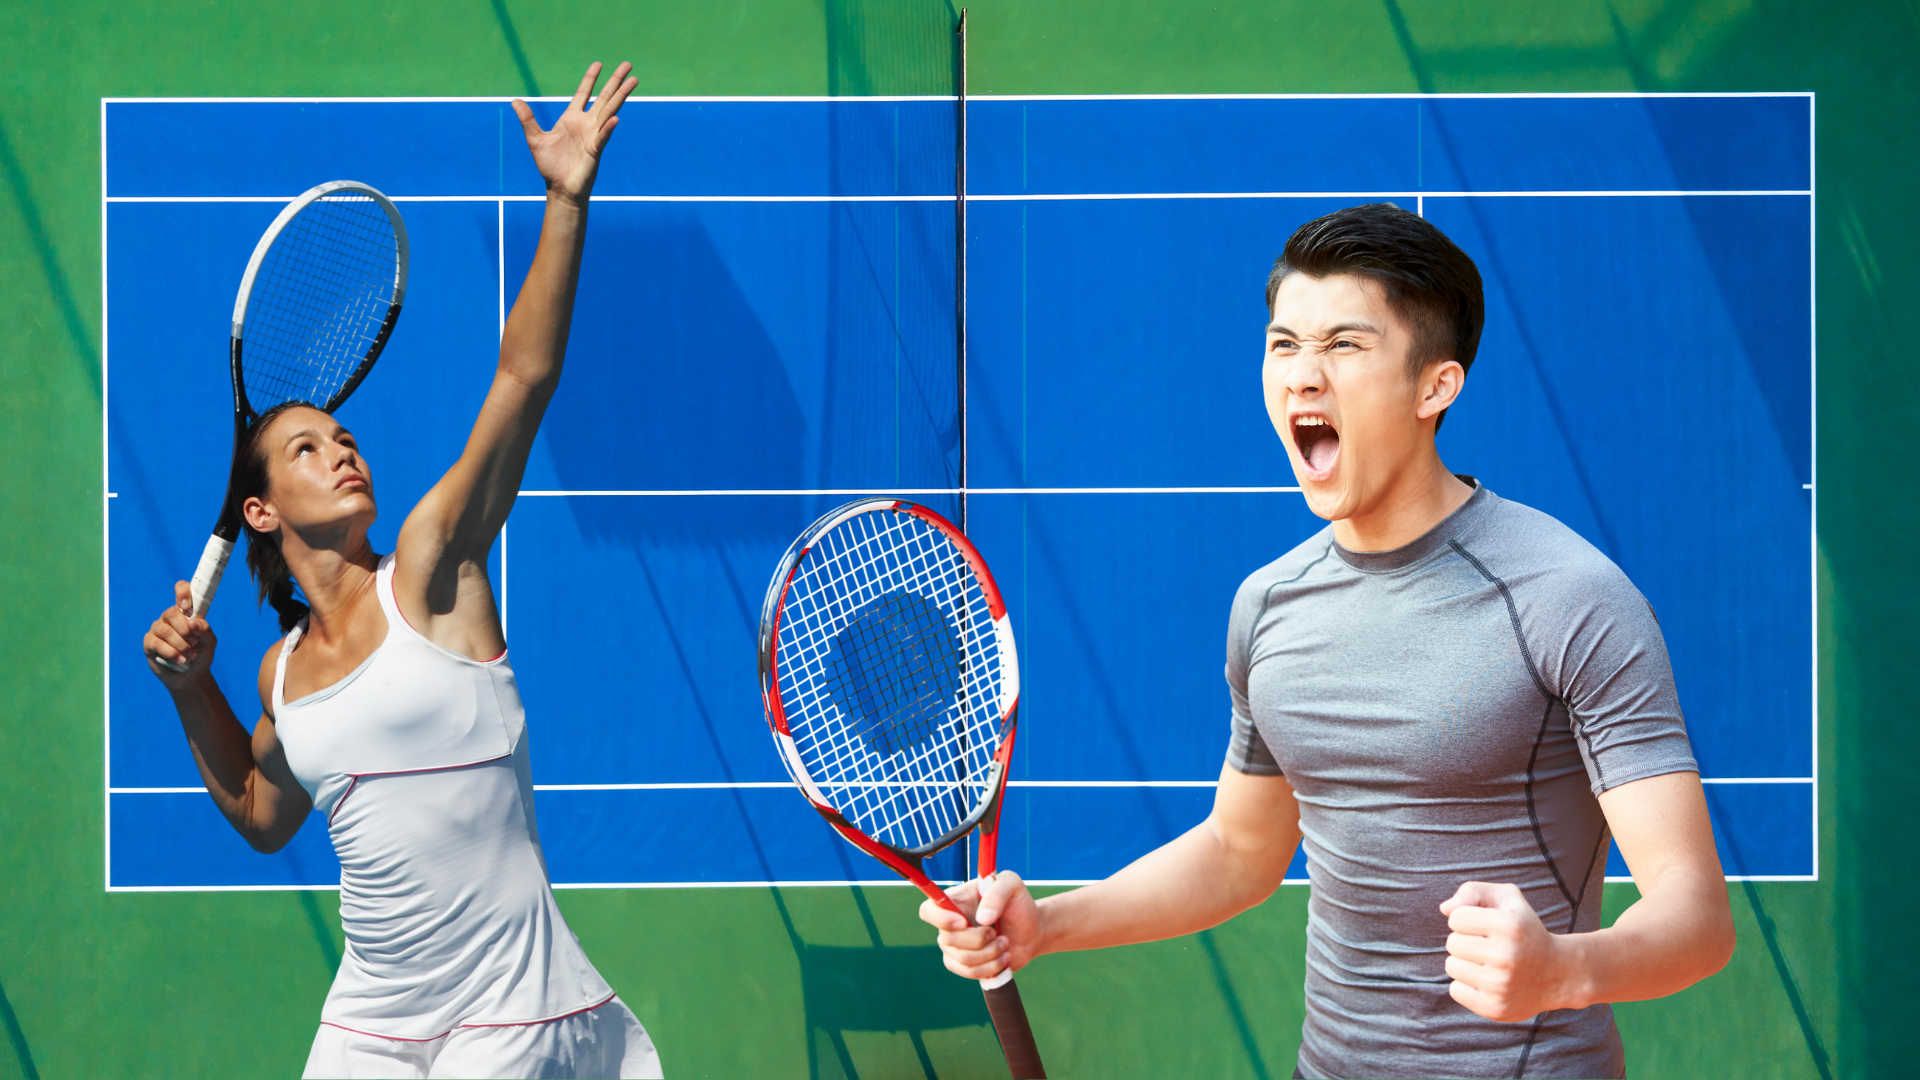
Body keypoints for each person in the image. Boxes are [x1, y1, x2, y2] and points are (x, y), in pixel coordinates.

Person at [919, 203, 1736, 1079]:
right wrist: (1046, 924)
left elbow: (1697, 920)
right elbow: (1239, 853)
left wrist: (1564, 970)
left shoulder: (1570, 597)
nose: (1303, 376)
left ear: (1435, 387)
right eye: (1284, 345)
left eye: (1344, 345)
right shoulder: (1269, 604)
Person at [141, 63, 662, 1080]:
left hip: (514, 1008)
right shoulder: (282, 673)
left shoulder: (430, 571)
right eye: (305, 449)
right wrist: (191, 686)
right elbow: (260, 814)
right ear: (260, 513)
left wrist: (566, 200)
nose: (343, 451)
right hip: (375, 1017)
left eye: (343, 437)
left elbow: (523, 378)